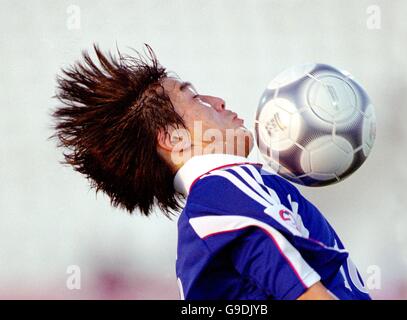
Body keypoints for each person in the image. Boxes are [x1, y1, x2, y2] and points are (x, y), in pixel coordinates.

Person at [52, 44, 371, 300]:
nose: (218, 101)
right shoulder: (223, 193)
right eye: (195, 98)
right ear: (173, 139)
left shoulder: (210, 206)